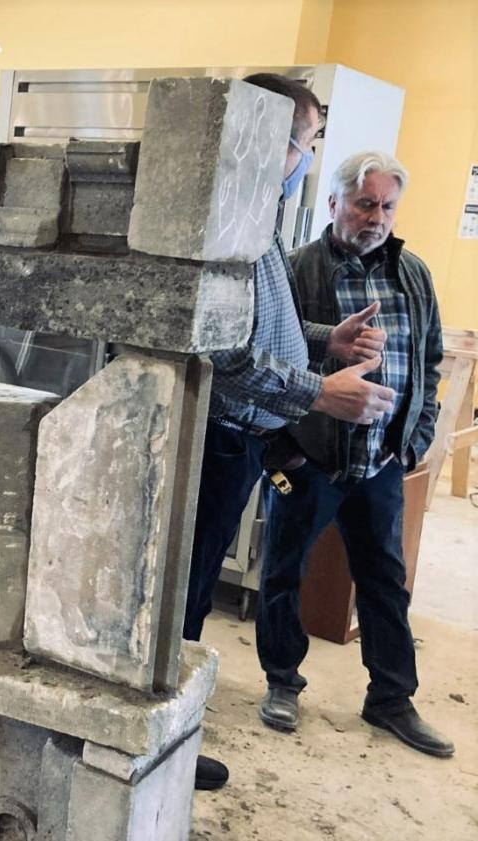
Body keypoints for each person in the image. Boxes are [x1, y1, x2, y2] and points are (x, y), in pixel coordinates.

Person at [186, 76, 398, 792]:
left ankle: (175, 730)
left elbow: (263, 323)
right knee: (184, 598)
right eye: (306, 143)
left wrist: (322, 339)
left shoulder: (256, 210)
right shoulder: (224, 213)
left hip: (238, 443)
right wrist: (318, 390)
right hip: (216, 439)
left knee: (195, 592)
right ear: (275, 138)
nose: (304, 157)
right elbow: (226, 354)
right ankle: (166, 744)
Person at [255, 151, 453, 758]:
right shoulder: (296, 270)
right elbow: (269, 362)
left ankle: (391, 697)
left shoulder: (413, 274)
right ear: (336, 202)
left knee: (385, 581)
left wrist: (413, 441)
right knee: (284, 572)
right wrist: (282, 451)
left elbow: (430, 360)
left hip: (381, 462)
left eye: (388, 205)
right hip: (307, 459)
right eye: (365, 203)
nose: (376, 217)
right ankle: (282, 681)